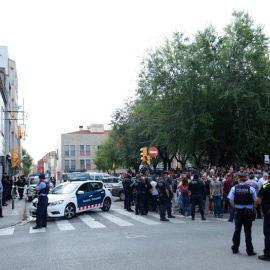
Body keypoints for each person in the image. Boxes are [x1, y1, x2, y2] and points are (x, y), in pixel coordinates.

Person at [228, 172, 257, 256]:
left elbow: (231, 200)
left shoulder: (234, 188)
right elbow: (256, 201)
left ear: (239, 179)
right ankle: (249, 250)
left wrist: (235, 208)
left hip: (238, 211)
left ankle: (235, 248)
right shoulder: (250, 188)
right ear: (246, 179)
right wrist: (253, 209)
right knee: (248, 231)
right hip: (248, 211)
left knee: (237, 230)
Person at [254, 175, 270, 261]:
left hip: (268, 212)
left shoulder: (265, 186)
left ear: (268, 178)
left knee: (268, 233)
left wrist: (257, 208)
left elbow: (257, 200)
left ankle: (268, 254)